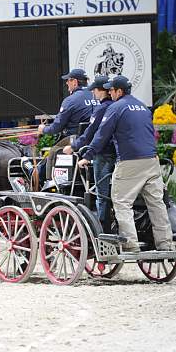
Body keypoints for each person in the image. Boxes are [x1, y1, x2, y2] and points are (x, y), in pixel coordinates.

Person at [78, 75, 173, 252]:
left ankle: (130, 243)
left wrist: (88, 155)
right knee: (156, 204)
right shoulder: (143, 107)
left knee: (121, 201)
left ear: (119, 91)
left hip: (130, 162)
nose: (110, 93)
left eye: (112, 90)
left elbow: (101, 135)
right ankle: (165, 244)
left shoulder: (116, 108)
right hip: (152, 161)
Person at [63, 75, 116, 234]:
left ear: (102, 91)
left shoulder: (102, 108)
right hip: (118, 153)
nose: (92, 92)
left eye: (95, 90)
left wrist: (73, 147)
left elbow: (91, 133)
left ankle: (101, 230)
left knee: (102, 194)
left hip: (104, 154)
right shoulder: (115, 106)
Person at [37, 68, 96, 180]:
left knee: (53, 151)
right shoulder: (97, 96)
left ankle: (48, 180)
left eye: (68, 80)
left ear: (75, 82)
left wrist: (43, 129)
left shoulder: (70, 100)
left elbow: (56, 127)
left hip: (76, 138)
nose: (66, 83)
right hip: (95, 139)